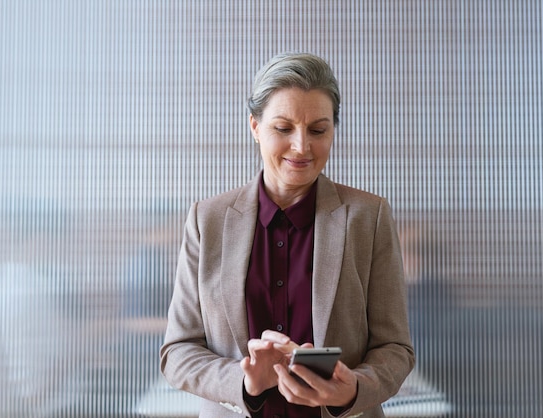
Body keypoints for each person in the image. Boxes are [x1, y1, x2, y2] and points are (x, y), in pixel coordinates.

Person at [160, 52, 415, 418]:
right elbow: (178, 351)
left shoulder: (368, 217)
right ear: (255, 127)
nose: (301, 147)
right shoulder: (208, 220)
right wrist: (245, 381)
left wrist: (353, 389)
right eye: (283, 128)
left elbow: (395, 348)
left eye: (318, 130)